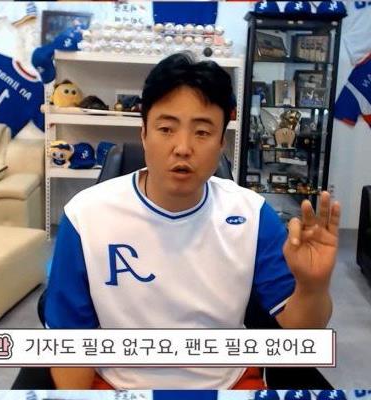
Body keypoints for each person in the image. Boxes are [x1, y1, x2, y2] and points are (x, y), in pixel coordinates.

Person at [45, 52, 340, 389]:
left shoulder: (252, 215)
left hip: (228, 382)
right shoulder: (85, 216)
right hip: (120, 384)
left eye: (202, 132)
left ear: (221, 142)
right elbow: (70, 345)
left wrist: (313, 287)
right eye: (166, 129)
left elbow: (302, 334)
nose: (183, 147)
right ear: (143, 133)